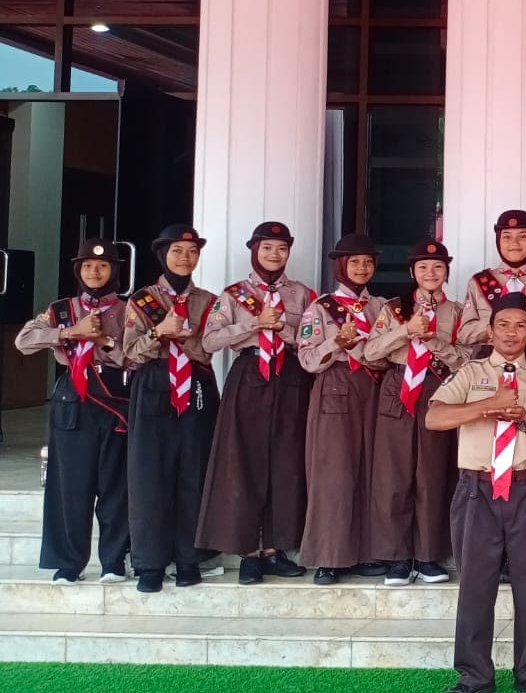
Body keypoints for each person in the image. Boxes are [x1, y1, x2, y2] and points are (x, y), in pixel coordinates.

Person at [427, 292, 526, 693]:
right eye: (503, 325)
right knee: (476, 585)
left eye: (520, 325)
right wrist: (489, 405)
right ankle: (474, 675)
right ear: (490, 329)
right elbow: (435, 418)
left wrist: (523, 418)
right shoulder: (470, 373)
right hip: (477, 489)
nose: (511, 332)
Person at [196, 222, 314, 584]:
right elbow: (210, 341)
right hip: (249, 376)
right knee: (243, 461)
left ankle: (276, 548)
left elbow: (314, 335)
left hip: (291, 376)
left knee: (285, 462)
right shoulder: (233, 295)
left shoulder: (303, 295)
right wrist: (255, 325)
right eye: (267, 248)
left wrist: (285, 331)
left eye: (281, 248)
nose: (274, 255)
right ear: (254, 250)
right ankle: (248, 551)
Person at [16, 239, 130, 584]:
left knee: (117, 487)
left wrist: (102, 343)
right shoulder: (61, 309)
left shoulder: (129, 310)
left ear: (114, 271)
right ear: (78, 271)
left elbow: (139, 354)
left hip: (116, 399)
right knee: (70, 486)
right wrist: (69, 332)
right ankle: (69, 562)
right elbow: (23, 341)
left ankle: (113, 561)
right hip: (73, 402)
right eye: (87, 266)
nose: (95, 272)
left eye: (103, 266)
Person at [364, 239, 469, 586]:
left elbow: (467, 360)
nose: (430, 273)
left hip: (438, 387)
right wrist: (404, 331)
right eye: (423, 267)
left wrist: (435, 341)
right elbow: (370, 352)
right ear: (412, 272)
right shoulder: (393, 310)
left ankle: (427, 555)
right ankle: (397, 557)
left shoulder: (457, 311)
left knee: (432, 473)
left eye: (437, 267)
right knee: (393, 475)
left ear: (446, 273)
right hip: (397, 387)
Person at [122, 225, 219, 593]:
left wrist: (187, 336)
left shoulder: (208, 301)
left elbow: (210, 348)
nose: (185, 258)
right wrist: (159, 332)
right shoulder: (142, 300)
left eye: (192, 252)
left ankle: (189, 557)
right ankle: (149, 563)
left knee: (193, 470)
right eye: (177, 251)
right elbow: (129, 353)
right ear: (164, 255)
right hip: (153, 386)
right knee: (150, 476)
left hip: (196, 386)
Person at [297, 232, 382, 585]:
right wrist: (337, 341)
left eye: (367, 261)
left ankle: (362, 552)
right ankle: (328, 557)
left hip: (373, 388)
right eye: (354, 262)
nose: (361, 268)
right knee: (333, 475)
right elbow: (306, 357)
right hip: (335, 385)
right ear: (340, 266)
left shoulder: (380, 307)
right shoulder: (321, 307)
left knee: (370, 471)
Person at [456, 209, 526, 364]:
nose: (514, 243)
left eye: (523, 236)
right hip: (487, 362)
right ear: (498, 241)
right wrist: (497, 326)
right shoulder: (479, 282)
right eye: (507, 237)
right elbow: (464, 334)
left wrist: (519, 331)